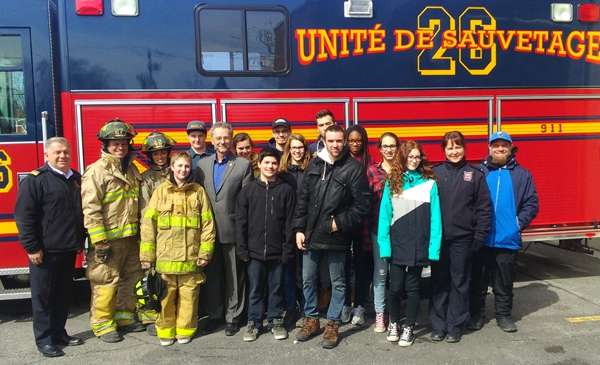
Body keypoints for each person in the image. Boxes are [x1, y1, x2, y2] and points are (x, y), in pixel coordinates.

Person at [293, 125, 371, 349]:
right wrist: (299, 228)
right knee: (308, 279)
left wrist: (339, 223)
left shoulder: (354, 168)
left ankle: (333, 323)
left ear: (344, 141)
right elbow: (303, 200)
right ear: (324, 141)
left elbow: (362, 205)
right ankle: (312, 319)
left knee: (338, 282)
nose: (335, 145)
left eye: (339, 141)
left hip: (337, 236)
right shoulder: (315, 164)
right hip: (310, 233)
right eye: (331, 141)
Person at [14, 137, 86, 357]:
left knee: (63, 295)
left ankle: (59, 333)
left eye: (65, 152)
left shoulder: (75, 178)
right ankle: (44, 340)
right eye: (57, 153)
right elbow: (24, 216)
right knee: (43, 298)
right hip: (44, 252)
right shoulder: (36, 180)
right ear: (47, 156)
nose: (62, 156)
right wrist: (32, 247)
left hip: (67, 249)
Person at [81, 118, 148, 343]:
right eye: (114, 143)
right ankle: (102, 325)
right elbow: (91, 209)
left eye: (123, 143)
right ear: (106, 145)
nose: (120, 147)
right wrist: (99, 242)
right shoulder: (97, 171)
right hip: (109, 240)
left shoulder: (131, 168)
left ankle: (124, 317)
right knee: (105, 281)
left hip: (130, 238)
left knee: (131, 278)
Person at [140, 151, 216, 346]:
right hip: (165, 257)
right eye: (179, 166)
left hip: (191, 257)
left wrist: (205, 252)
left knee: (189, 297)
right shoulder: (160, 191)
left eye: (186, 166)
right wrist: (147, 255)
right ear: (171, 167)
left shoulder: (197, 191)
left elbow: (207, 224)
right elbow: (149, 224)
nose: (183, 170)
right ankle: (165, 331)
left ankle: (185, 330)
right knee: (165, 297)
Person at [468, 131, 539, 333]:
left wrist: (516, 225)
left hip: (507, 239)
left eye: (504, 145)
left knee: (504, 282)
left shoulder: (522, 174)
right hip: (481, 239)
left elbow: (531, 203)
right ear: (489, 148)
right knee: (478, 280)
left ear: (510, 148)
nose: (500, 149)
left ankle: (504, 315)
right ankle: (476, 315)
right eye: (496, 145)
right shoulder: (478, 172)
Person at [429, 131, 491, 343]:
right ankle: (438, 325)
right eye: (450, 147)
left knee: (459, 282)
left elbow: (484, 209)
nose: (454, 151)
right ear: (443, 150)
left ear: (464, 148)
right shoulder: (434, 173)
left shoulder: (475, 174)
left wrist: (478, 236)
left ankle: (455, 325)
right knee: (439, 282)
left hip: (463, 240)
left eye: (458, 147)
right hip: (439, 239)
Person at [378, 140, 442, 347]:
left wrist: (433, 249)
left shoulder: (429, 184)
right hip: (397, 245)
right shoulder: (391, 182)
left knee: (413, 289)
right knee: (395, 288)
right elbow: (384, 217)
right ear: (402, 158)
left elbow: (436, 219)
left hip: (419, 246)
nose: (413, 160)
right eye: (410, 156)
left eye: (417, 157)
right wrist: (385, 246)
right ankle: (395, 323)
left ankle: (409, 328)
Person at [194, 121, 253, 336]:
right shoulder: (202, 166)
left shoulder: (242, 165)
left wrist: (244, 232)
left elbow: (247, 201)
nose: (222, 141)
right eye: (218, 138)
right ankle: (215, 314)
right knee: (212, 276)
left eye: (226, 138)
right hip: (207, 232)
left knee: (235, 276)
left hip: (232, 229)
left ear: (231, 139)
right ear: (212, 139)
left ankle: (233, 316)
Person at [236, 147, 296, 342]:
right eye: (266, 163)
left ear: (278, 166)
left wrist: (288, 249)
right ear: (259, 164)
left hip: (278, 252)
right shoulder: (248, 191)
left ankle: (275, 320)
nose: (270, 166)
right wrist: (242, 248)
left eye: (274, 163)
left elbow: (289, 222)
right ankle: (253, 322)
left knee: (276, 287)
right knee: (255, 288)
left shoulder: (286, 190)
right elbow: (241, 221)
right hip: (253, 252)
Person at [341, 125, 375, 326]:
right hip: (345, 224)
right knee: (343, 266)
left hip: (364, 224)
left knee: (363, 266)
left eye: (358, 140)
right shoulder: (341, 163)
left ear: (364, 141)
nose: (355, 144)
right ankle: (345, 303)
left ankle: (360, 305)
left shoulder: (371, 164)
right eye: (351, 140)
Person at [366, 132, 400, 333]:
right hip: (378, 230)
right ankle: (380, 313)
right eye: (385, 146)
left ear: (397, 148)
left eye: (392, 145)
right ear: (379, 149)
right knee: (380, 273)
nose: (389, 149)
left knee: (396, 274)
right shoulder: (371, 171)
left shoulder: (404, 171)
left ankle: (395, 314)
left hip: (401, 230)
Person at [279, 133, 311, 326]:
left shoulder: (312, 170)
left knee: (307, 271)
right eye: (293, 147)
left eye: (300, 147)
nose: (297, 151)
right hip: (286, 227)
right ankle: (291, 306)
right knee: (289, 269)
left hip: (307, 227)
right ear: (288, 150)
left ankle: (308, 308)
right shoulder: (282, 173)